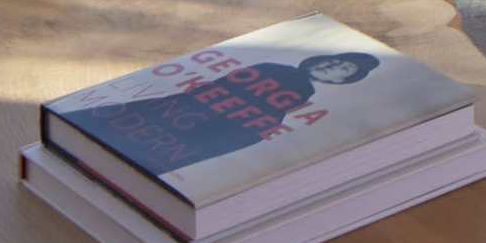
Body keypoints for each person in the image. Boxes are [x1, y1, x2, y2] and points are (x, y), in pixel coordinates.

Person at [62, 48, 382, 177]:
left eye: (343, 68)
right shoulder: (274, 68)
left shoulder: (304, 93)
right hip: (193, 112)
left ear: (345, 80)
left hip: (223, 129)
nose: (333, 65)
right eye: (336, 59)